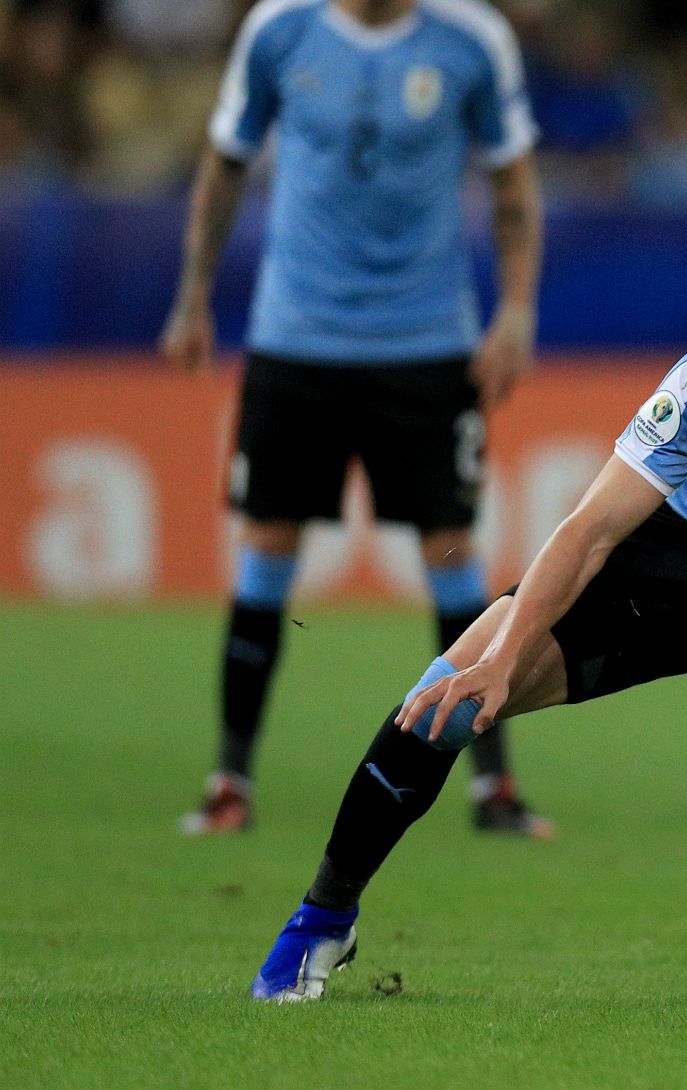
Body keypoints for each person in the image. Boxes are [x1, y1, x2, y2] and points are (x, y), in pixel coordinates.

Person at [245, 200, 687, 1010]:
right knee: (445, 699)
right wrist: (502, 662)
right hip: (676, 561)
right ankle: (322, 919)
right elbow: (589, 530)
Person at [160, 0, 550, 836]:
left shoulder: (472, 39)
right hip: (296, 340)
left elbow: (513, 180)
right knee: (267, 549)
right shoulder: (279, 29)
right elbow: (225, 161)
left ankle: (493, 787)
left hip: (425, 343)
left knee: (451, 555)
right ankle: (230, 780)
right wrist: (193, 294)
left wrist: (516, 310)